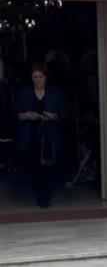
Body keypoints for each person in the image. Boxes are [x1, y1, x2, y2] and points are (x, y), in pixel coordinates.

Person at [15, 63, 65, 208]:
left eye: (40, 77)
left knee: (49, 167)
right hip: (30, 136)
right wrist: (26, 115)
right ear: (31, 78)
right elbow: (14, 114)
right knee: (34, 167)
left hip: (49, 136)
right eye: (35, 77)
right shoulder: (24, 93)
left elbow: (63, 114)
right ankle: (39, 195)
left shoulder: (54, 93)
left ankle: (46, 196)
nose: (38, 80)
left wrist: (52, 116)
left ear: (45, 77)